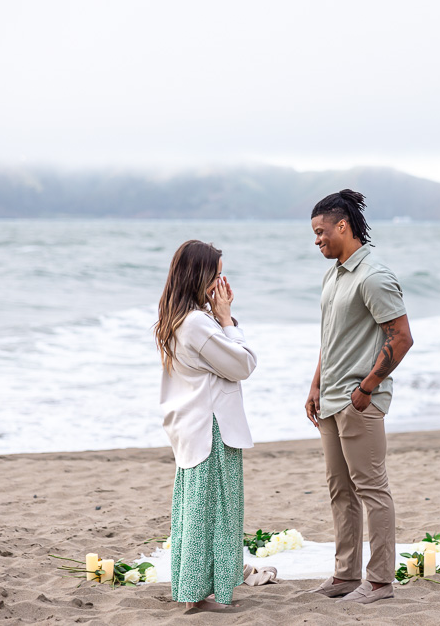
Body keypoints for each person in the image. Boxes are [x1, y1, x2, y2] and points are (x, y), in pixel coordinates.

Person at [305, 189, 414, 604]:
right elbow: (329, 337)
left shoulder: (374, 276)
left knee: (372, 489)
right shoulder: (333, 274)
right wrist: (315, 384)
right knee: (340, 490)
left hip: (358, 400)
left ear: (342, 226)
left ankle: (381, 582)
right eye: (314, 234)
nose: (317, 240)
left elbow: (401, 338)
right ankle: (345, 575)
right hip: (330, 399)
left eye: (320, 232)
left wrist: (366, 389)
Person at [155, 240, 258, 611]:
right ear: (199, 277)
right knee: (216, 511)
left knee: (197, 509)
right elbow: (242, 364)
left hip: (192, 426)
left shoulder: (178, 318)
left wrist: (220, 319)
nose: (219, 285)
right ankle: (199, 598)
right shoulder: (198, 324)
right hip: (211, 428)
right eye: (215, 276)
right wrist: (228, 318)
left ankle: (196, 590)